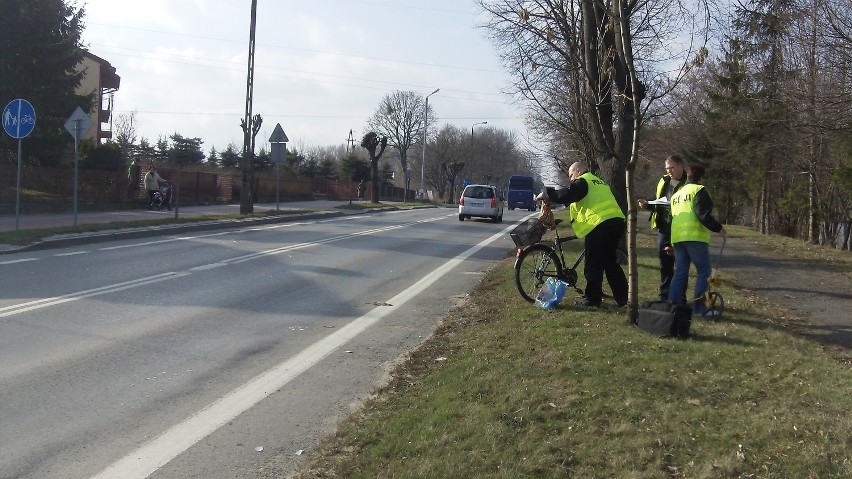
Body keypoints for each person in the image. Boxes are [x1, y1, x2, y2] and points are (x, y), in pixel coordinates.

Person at [544, 162, 628, 308]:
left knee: (593, 263)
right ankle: (623, 299)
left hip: (599, 224)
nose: (571, 180)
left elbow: (567, 194)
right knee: (610, 263)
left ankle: (592, 300)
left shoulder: (583, 181)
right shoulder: (599, 182)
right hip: (616, 222)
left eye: (571, 175)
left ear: (578, 171)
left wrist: (547, 193)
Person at [668, 163, 727, 317]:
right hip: (694, 237)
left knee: (680, 272)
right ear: (701, 178)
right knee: (704, 272)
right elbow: (703, 215)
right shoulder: (699, 190)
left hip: (678, 238)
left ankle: (674, 306)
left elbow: (671, 218)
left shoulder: (677, 194)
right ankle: (699, 309)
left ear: (687, 176)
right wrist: (718, 228)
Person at [638, 155, 688, 300]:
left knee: (681, 265)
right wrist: (648, 204)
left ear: (680, 165)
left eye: (672, 167)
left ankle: (679, 297)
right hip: (664, 227)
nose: (669, 171)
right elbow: (660, 201)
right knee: (665, 264)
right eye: (667, 168)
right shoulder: (664, 180)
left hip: (681, 228)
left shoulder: (688, 183)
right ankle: (664, 296)